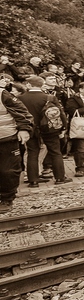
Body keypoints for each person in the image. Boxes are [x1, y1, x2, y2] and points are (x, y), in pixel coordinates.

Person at [17, 75, 70, 187]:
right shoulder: (49, 97)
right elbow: (60, 114)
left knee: (32, 153)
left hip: (30, 128)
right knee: (55, 152)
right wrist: (63, 128)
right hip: (49, 129)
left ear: (29, 85)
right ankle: (60, 178)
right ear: (41, 85)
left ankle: (33, 181)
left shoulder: (21, 98)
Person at [0, 74, 33, 213]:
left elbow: (23, 113)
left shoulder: (3, 94)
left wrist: (24, 129)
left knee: (7, 171)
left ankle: (7, 199)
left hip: (6, 138)